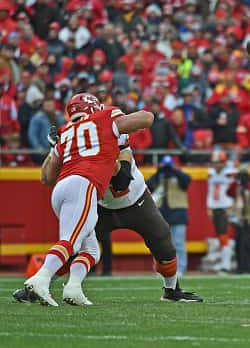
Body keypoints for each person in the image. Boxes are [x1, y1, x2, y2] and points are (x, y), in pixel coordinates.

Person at [14, 100, 202, 304]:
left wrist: (113, 163)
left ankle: (172, 288)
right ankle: (41, 283)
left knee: (162, 239)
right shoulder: (80, 130)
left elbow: (122, 175)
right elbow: (47, 177)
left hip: (133, 199)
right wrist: (55, 151)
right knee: (79, 247)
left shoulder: (97, 126)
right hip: (98, 201)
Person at [22, 93, 153, 306]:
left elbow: (46, 178)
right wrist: (118, 122)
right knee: (70, 242)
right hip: (83, 185)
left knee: (91, 250)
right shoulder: (104, 118)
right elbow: (146, 118)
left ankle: (73, 288)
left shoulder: (65, 132)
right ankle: (41, 278)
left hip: (62, 189)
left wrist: (53, 147)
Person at [147, 155, 191, 276]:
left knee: (178, 243)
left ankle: (181, 269)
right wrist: (158, 172)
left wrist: (174, 170)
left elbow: (187, 180)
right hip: (161, 213)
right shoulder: (158, 178)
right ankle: (161, 268)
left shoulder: (179, 176)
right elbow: (148, 185)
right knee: (160, 243)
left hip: (178, 213)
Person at [227, 163, 250, 274]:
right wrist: (235, 181)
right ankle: (241, 266)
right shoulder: (237, 185)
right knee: (239, 243)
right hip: (240, 218)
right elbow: (229, 192)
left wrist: (248, 185)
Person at [206, 150, 236, 273]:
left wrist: (233, 206)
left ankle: (226, 264)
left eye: (219, 162)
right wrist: (209, 206)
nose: (217, 165)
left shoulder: (230, 172)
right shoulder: (211, 173)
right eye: (215, 162)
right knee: (220, 235)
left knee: (224, 235)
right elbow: (210, 191)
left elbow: (236, 190)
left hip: (226, 207)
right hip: (215, 207)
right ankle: (225, 263)